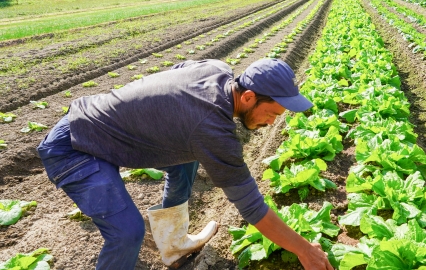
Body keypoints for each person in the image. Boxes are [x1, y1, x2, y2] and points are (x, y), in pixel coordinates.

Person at [37, 58, 334, 270]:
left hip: (95, 126)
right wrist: (305, 251)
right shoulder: (212, 129)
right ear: (248, 96)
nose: (272, 123)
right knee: (127, 233)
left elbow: (179, 72)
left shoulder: (218, 70)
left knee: (187, 154)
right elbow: (252, 208)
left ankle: (173, 243)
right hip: (75, 148)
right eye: (272, 113)